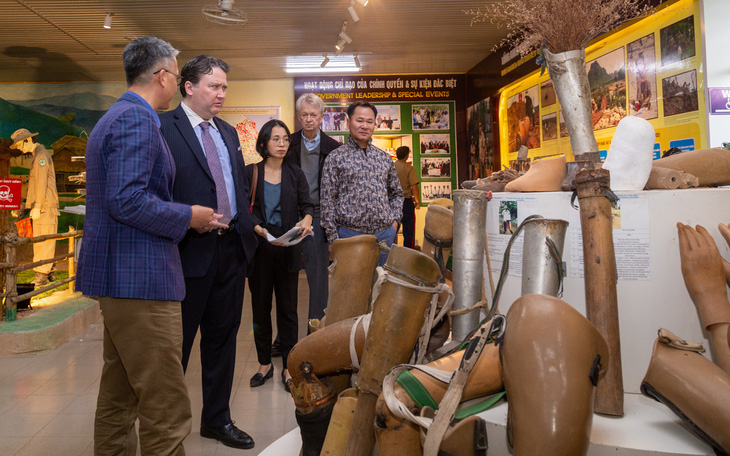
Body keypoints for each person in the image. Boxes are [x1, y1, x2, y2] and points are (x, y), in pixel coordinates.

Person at [77, 36, 226, 455]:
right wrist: (189, 217)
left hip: (122, 277)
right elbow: (127, 200)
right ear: (162, 76)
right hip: (139, 278)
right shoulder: (136, 120)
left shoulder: (117, 115)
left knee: (120, 395)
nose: (177, 84)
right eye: (178, 76)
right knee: (165, 406)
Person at [159, 55, 257, 450]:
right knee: (175, 347)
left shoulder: (229, 133)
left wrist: (248, 228)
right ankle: (165, 430)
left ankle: (216, 419)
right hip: (186, 253)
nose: (221, 94)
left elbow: (236, 186)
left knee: (223, 339)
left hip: (230, 249)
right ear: (189, 87)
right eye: (214, 86)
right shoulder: (164, 128)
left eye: (224, 88)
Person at [247, 119, 314, 392]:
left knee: (288, 312)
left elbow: (307, 205)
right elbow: (243, 208)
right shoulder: (250, 172)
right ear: (263, 143)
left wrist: (307, 219)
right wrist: (257, 228)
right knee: (260, 309)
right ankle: (264, 364)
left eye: (285, 139)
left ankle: (288, 366)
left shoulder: (295, 174)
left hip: (287, 247)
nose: (282, 144)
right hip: (260, 246)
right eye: (275, 139)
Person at [321, 100, 403, 266]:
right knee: (351, 289)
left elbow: (397, 193)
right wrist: (332, 237)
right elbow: (327, 200)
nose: (364, 126)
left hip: (384, 236)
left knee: (381, 287)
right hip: (349, 236)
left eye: (369, 121)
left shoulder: (384, 158)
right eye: (359, 120)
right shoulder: (335, 158)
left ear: (375, 124)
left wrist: (394, 223)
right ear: (348, 122)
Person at [284, 93, 342, 327]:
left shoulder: (333, 148)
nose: (309, 119)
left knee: (318, 277)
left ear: (322, 117)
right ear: (299, 117)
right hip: (291, 215)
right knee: (285, 277)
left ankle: (316, 331)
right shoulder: (287, 144)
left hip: (318, 217)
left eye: (313, 115)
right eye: (304, 115)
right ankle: (284, 336)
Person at [10, 128, 59, 286]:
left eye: (19, 145)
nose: (19, 148)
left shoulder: (41, 156)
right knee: (42, 240)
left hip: (45, 207)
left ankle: (41, 276)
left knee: (42, 242)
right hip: (42, 206)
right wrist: (25, 206)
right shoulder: (38, 156)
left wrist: (37, 206)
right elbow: (35, 186)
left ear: (28, 140)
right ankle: (49, 271)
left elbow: (42, 184)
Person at [394, 146, 420, 249]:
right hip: (406, 202)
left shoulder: (390, 167)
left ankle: (390, 255)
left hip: (392, 201)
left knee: (392, 231)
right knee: (409, 232)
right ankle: (407, 255)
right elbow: (414, 186)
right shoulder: (409, 168)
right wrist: (417, 201)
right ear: (407, 155)